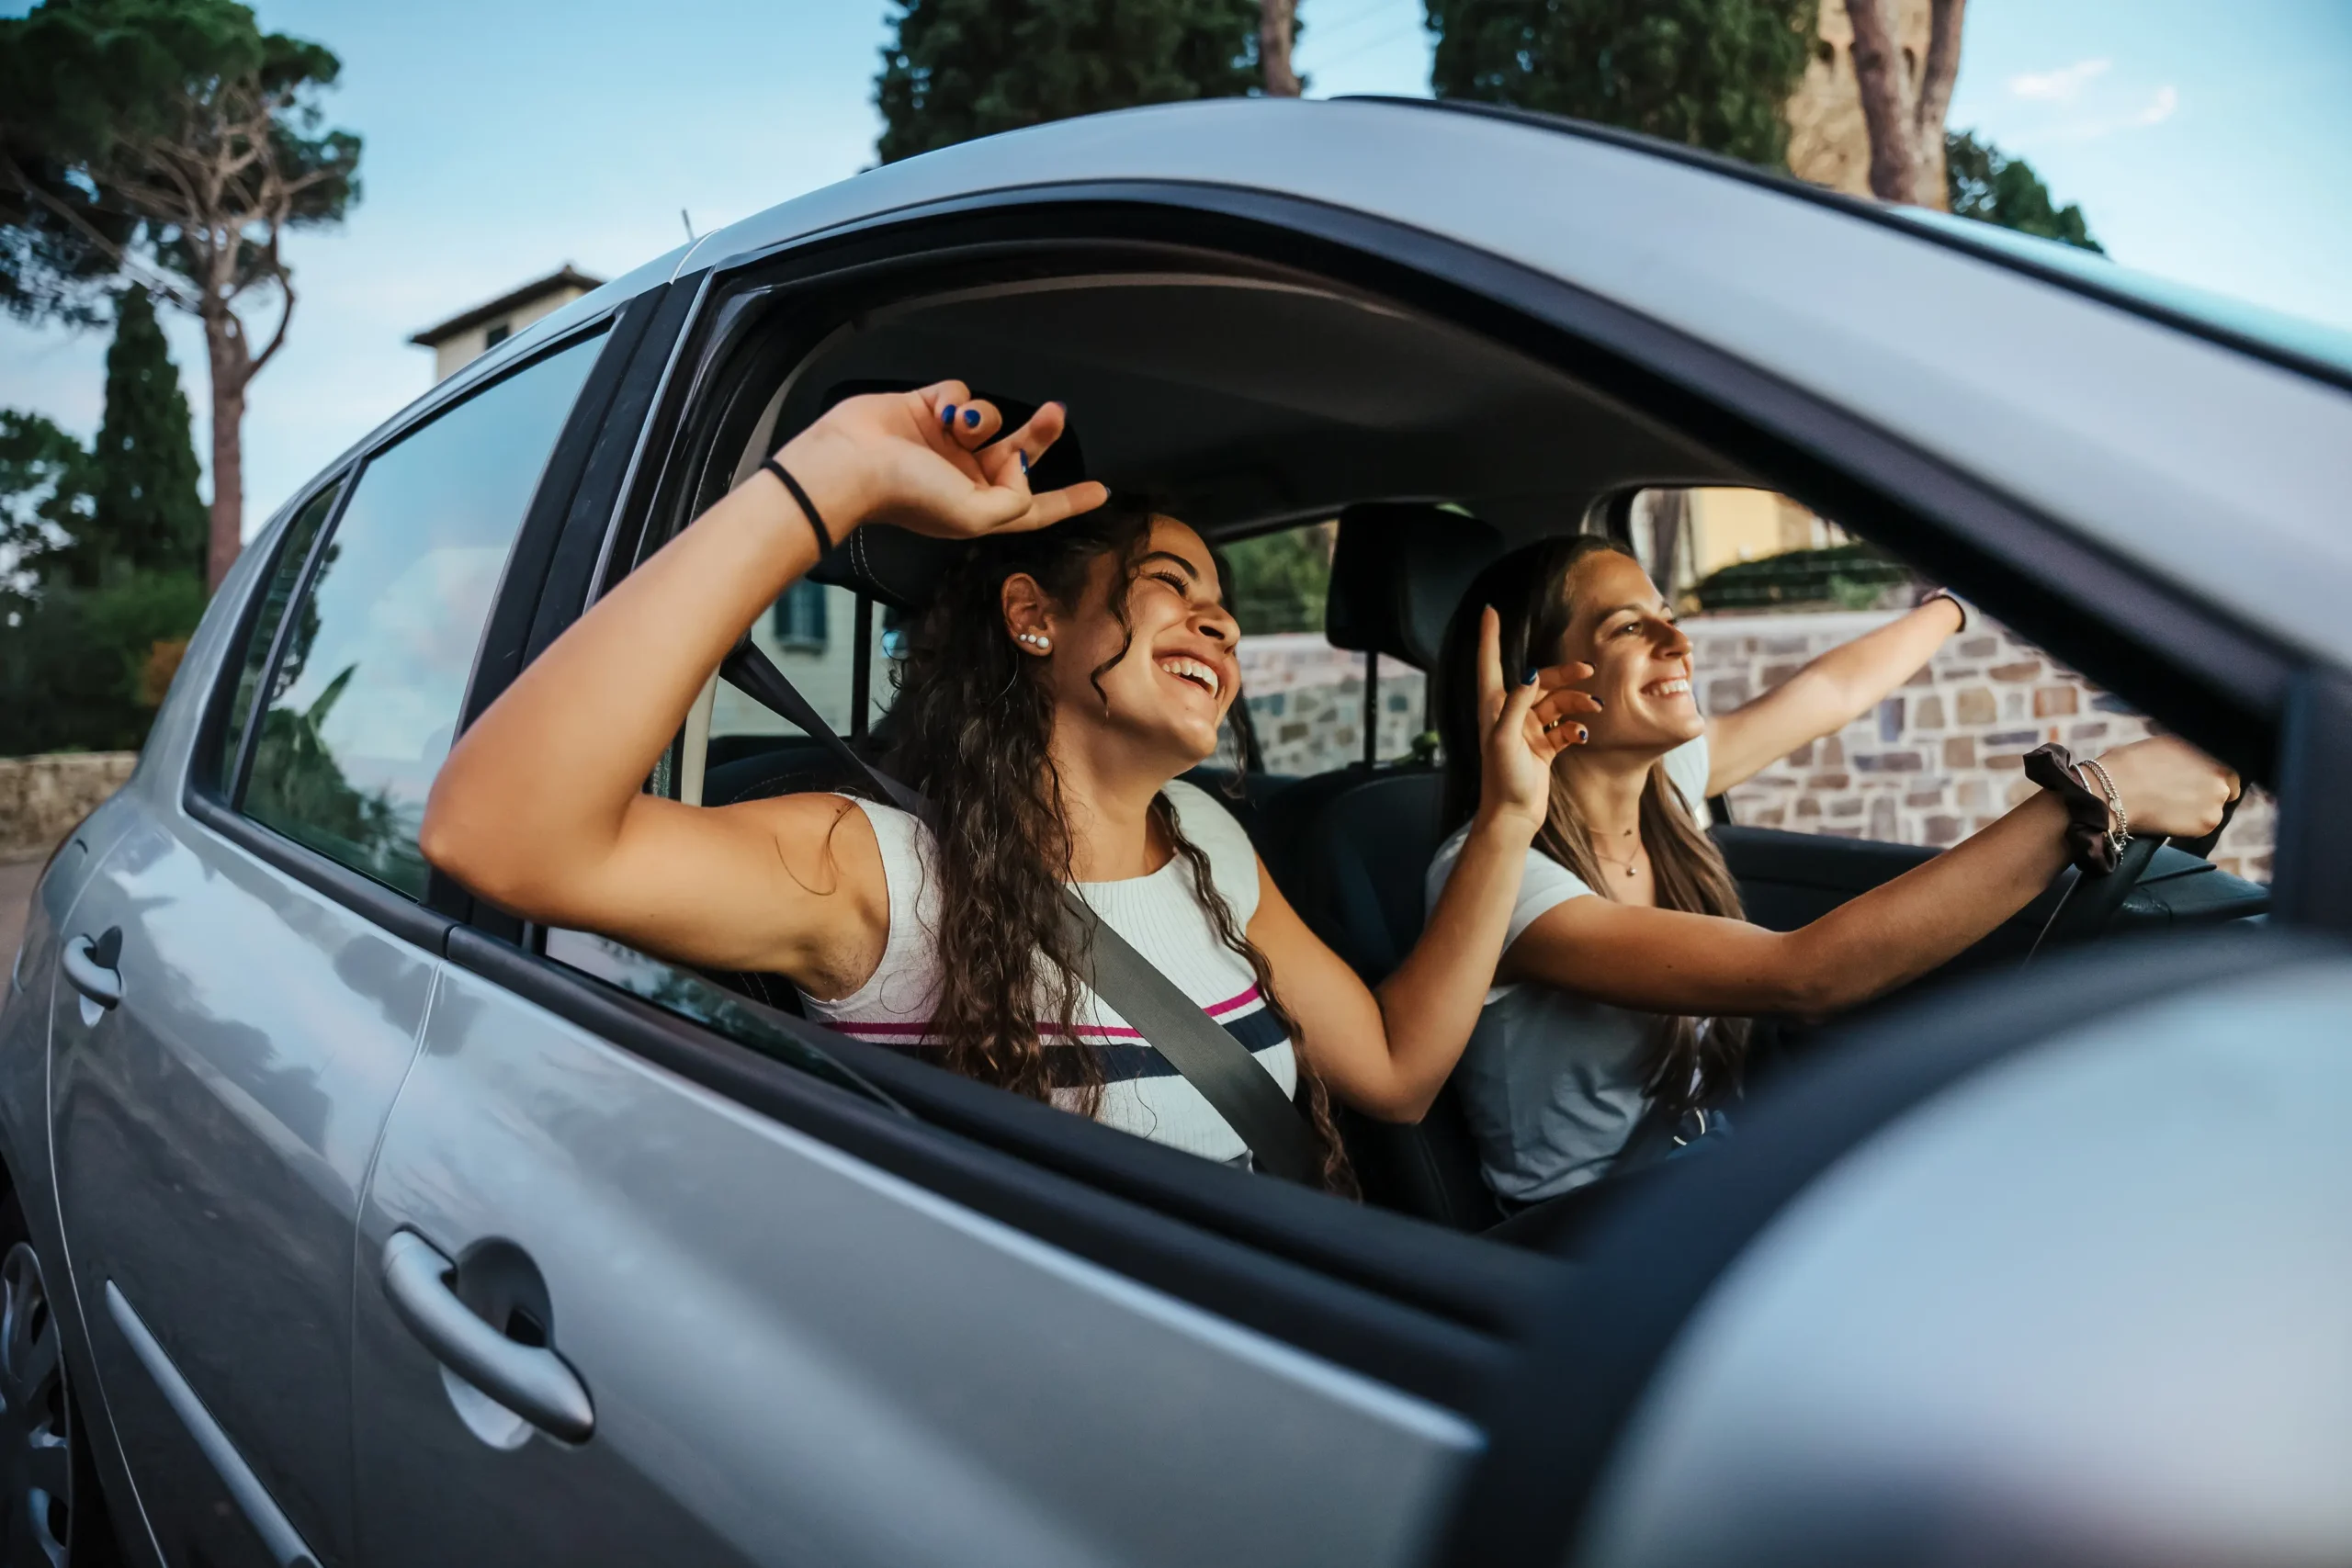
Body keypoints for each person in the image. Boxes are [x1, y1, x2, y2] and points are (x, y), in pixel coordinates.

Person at [422, 381, 1601, 1190]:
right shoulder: (870, 872)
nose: (1221, 618)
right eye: (1167, 581)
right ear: (1034, 619)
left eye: (1223, 602)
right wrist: (830, 477)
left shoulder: (1205, 840)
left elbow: (1394, 1080)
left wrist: (1505, 820)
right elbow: (498, 837)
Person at [1426, 534, 2239, 1210]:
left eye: (1670, 617)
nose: (1680, 643)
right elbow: (1805, 975)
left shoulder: (1665, 787)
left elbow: (1833, 688)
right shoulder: (1498, 873)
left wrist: (1962, 602)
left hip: (1708, 1171)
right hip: (1584, 1234)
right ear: (1535, 687)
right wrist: (2095, 795)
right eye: (1628, 629)